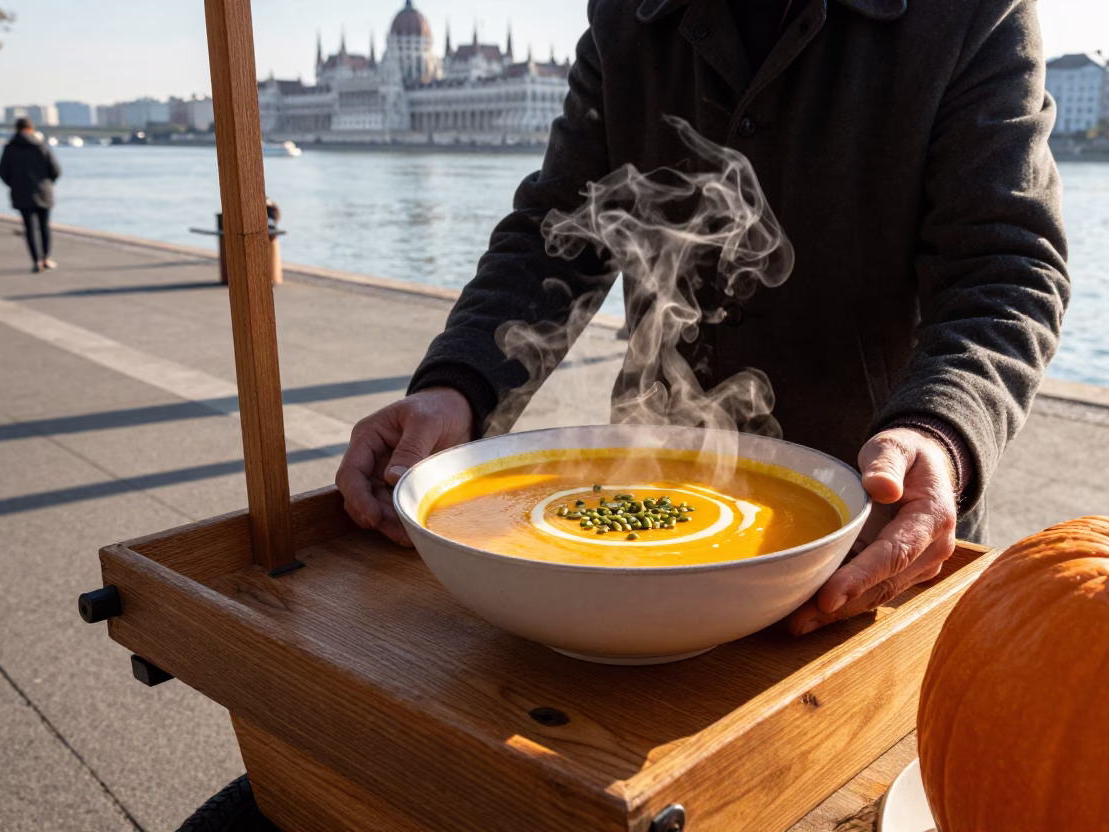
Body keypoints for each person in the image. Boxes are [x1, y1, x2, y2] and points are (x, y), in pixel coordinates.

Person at [337, 0, 1069, 635]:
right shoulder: (629, 14)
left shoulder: (971, 11)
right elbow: (557, 232)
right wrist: (458, 385)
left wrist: (942, 432)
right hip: (643, 529)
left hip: (876, 537)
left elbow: (1006, 266)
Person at [0, 117, 61, 273]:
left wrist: (14, 184)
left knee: (30, 228)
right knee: (44, 226)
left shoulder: (10, 148)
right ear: (31, 129)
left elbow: (2, 172)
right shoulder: (40, 146)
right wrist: (46, 183)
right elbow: (55, 170)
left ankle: (36, 260)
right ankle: (46, 258)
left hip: (21, 193)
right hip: (43, 192)